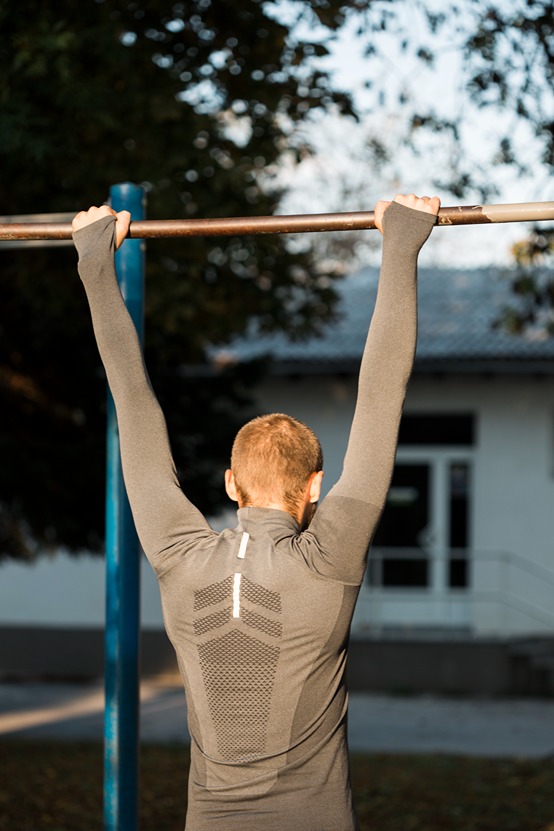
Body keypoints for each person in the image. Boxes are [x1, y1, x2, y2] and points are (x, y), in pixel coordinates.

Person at [72, 192, 440, 831]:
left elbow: (132, 405)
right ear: (315, 486)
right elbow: (382, 395)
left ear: (230, 484)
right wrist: (400, 242)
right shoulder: (328, 560)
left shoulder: (180, 556)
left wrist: (94, 265)